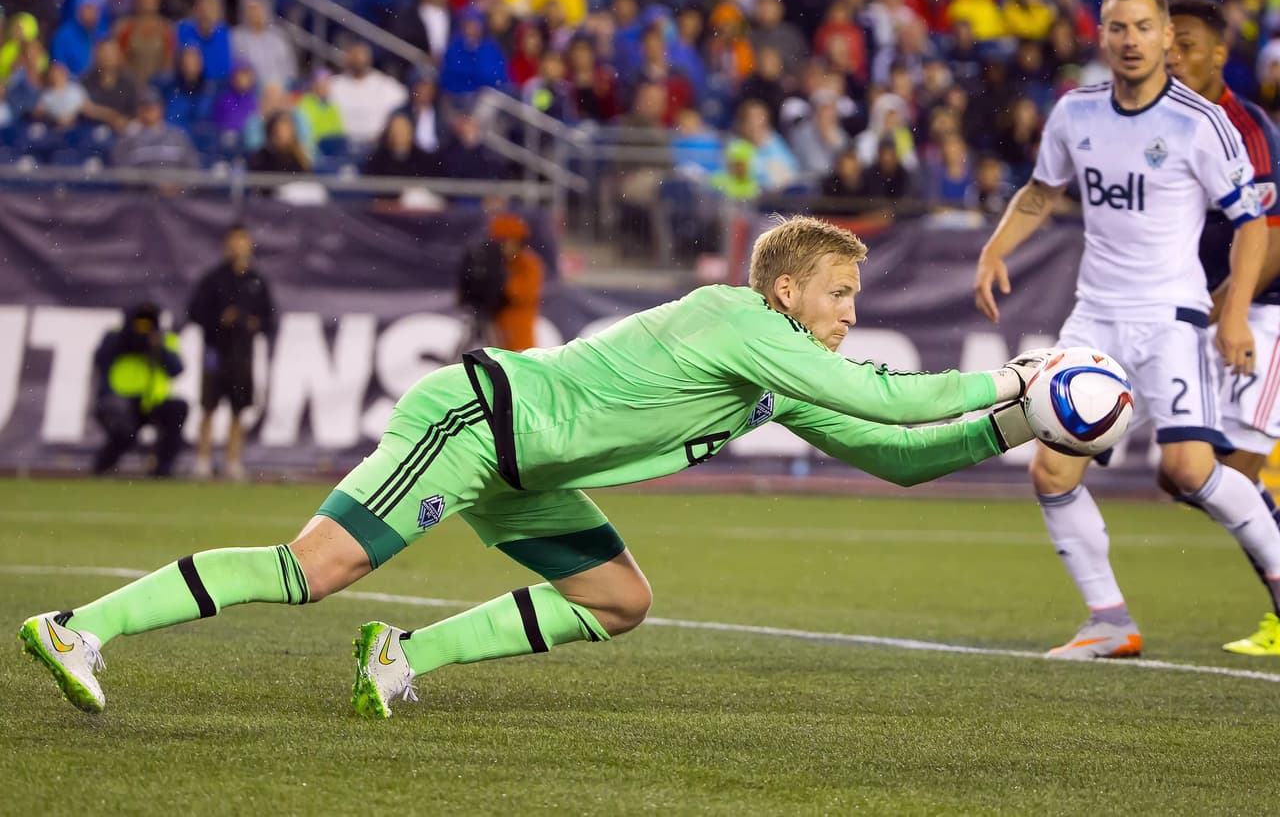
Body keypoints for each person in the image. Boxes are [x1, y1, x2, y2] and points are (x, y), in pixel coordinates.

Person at [19, 214, 1053, 718]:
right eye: (836, 292)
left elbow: (892, 453)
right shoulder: (739, 320)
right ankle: (80, 627)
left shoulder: (769, 365)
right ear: (784, 292)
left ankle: (402, 659)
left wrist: (1022, 426)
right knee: (313, 571)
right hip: (473, 422)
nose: (850, 312)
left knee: (616, 598)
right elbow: (891, 396)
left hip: (527, 470)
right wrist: (1012, 376)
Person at [972, 0, 1280, 660]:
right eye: (1118, 28)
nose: (1131, 41)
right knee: (1051, 471)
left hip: (1169, 318)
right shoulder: (1075, 114)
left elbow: (1253, 223)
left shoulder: (1203, 124)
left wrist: (1232, 316)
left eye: (1144, 27)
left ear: (1167, 37)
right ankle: (1109, 620)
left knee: (1191, 469)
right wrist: (995, 250)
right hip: (1095, 318)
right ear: (1102, 36)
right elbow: (1043, 189)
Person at [1165, 0, 1280, 655]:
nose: (1174, 53)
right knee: (1181, 474)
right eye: (1169, 42)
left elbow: (1273, 236)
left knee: (1228, 469)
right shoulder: (1174, 123)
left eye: (1187, 42)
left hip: (1264, 317)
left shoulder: (1246, 127)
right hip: (1212, 310)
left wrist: (1229, 308)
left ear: (1217, 53)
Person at [187, 224, 277, 481]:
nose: (238, 246)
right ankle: (202, 461)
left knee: (239, 410)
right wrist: (219, 320)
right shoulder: (214, 278)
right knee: (208, 406)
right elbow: (194, 312)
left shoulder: (256, 281)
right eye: (234, 241)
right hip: (215, 352)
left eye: (242, 240)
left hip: (242, 355)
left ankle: (233, 462)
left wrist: (250, 322)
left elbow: (269, 320)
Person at [89, 302, 188, 478]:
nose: (143, 328)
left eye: (148, 323)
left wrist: (158, 347)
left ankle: (162, 470)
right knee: (124, 430)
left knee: (178, 409)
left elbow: (176, 369)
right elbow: (101, 360)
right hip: (121, 399)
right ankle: (102, 466)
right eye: (139, 322)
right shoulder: (116, 336)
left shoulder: (163, 339)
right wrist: (129, 338)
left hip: (152, 401)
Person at [489, 213, 543, 351]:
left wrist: (501, 281)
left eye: (506, 241)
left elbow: (522, 294)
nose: (502, 247)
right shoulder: (498, 262)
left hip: (517, 332)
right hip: (497, 327)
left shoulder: (528, 264)